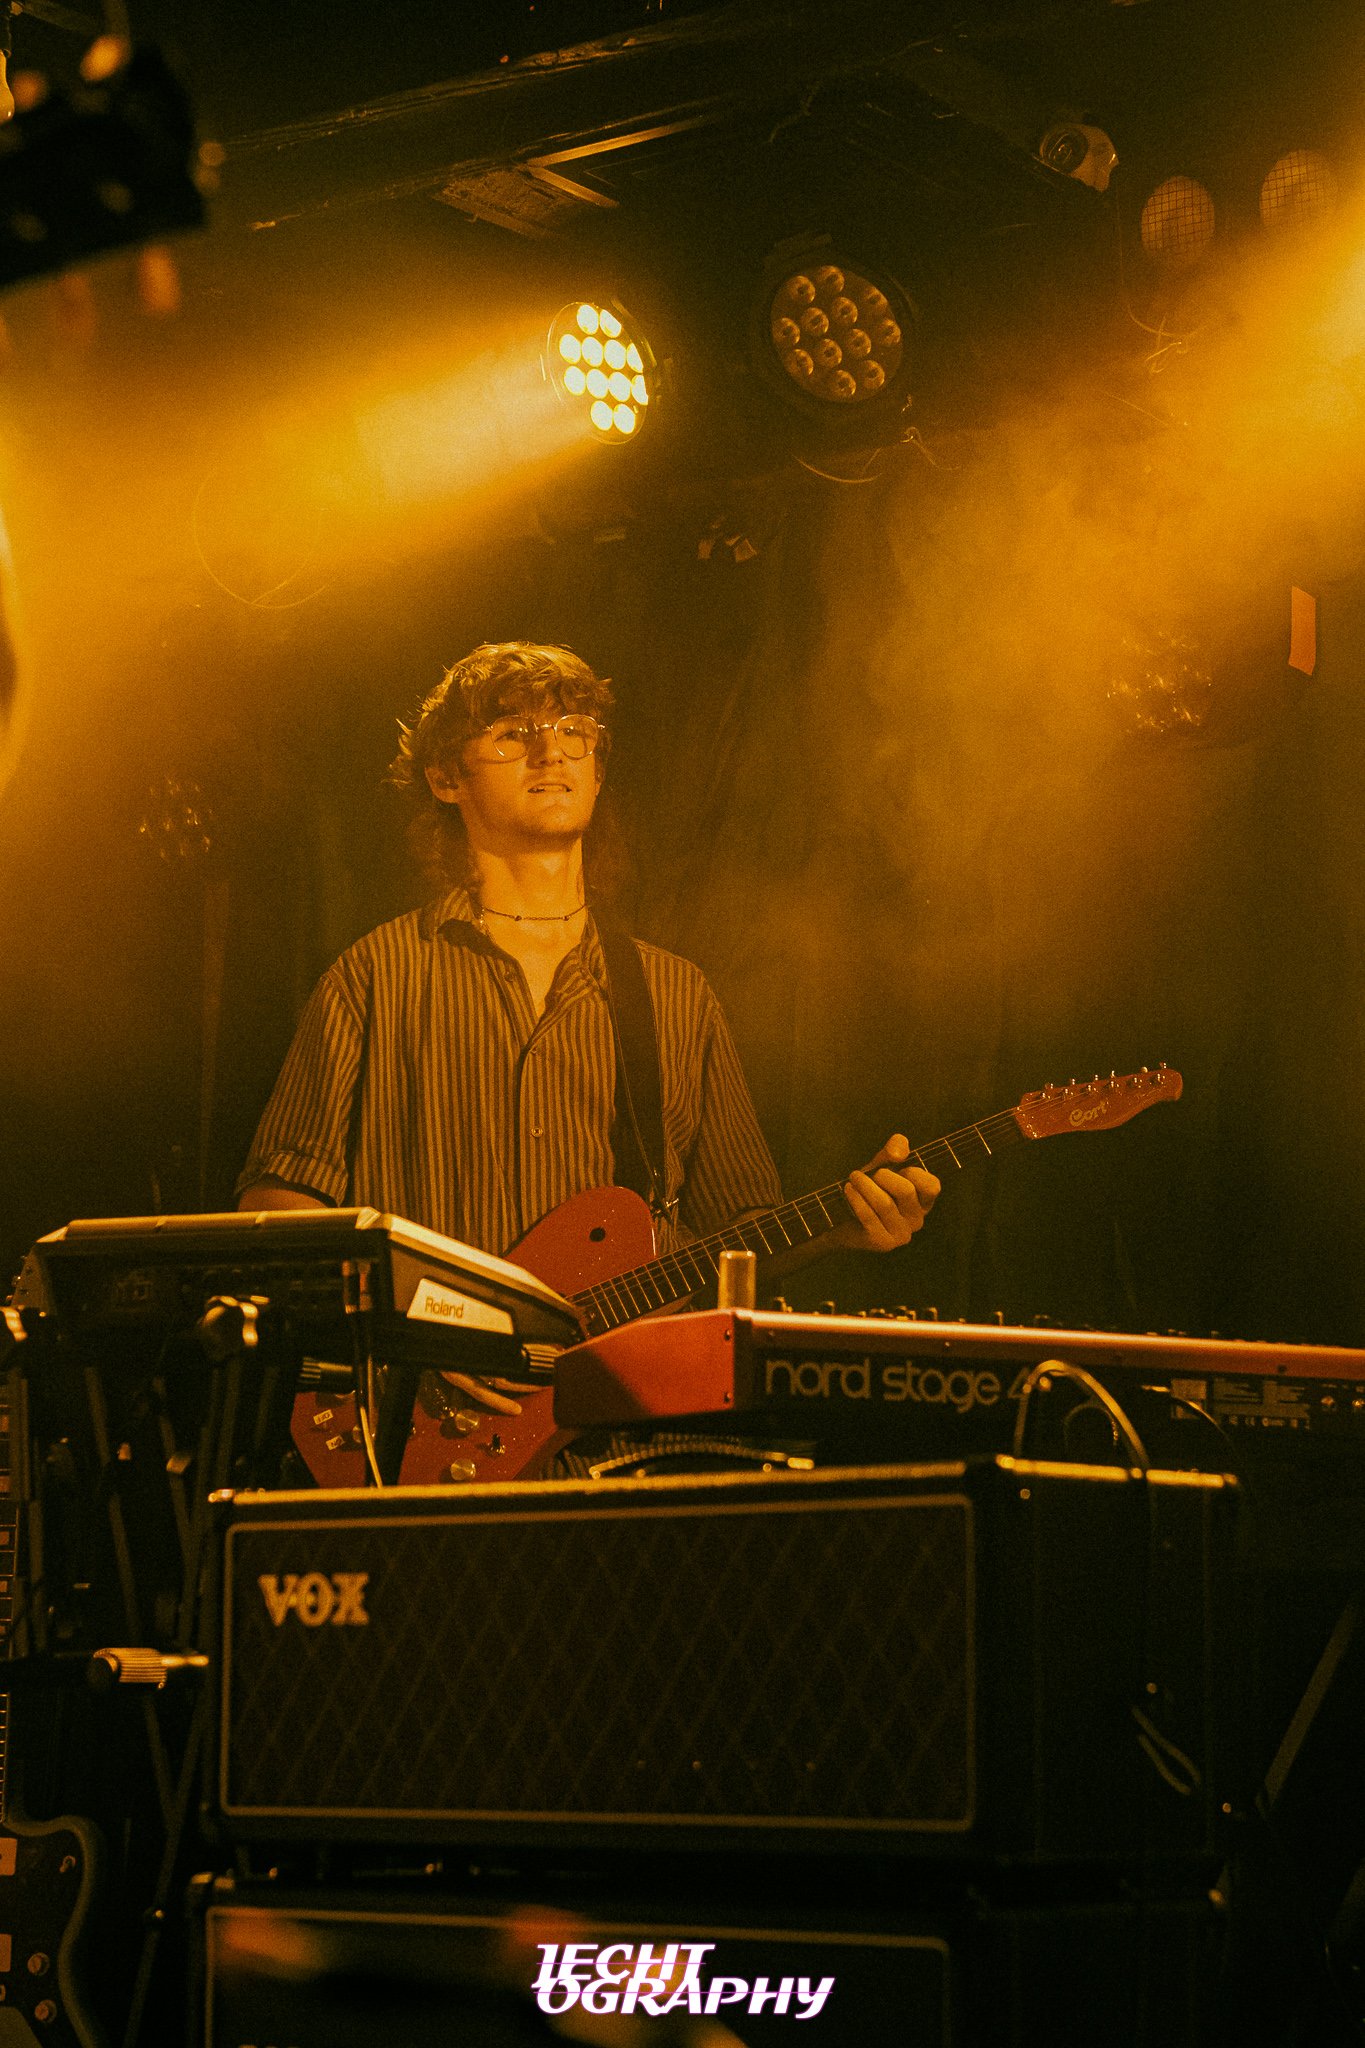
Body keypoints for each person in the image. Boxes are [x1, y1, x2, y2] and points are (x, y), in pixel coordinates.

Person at [237, 641, 939, 1410]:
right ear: (444, 778)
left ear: (598, 770)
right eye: (513, 733)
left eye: (574, 732)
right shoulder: (375, 975)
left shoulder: (674, 994)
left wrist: (836, 1227)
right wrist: (417, 1329)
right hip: (417, 1417)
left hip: (615, 1426)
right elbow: (278, 1210)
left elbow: (733, 1236)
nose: (552, 753)